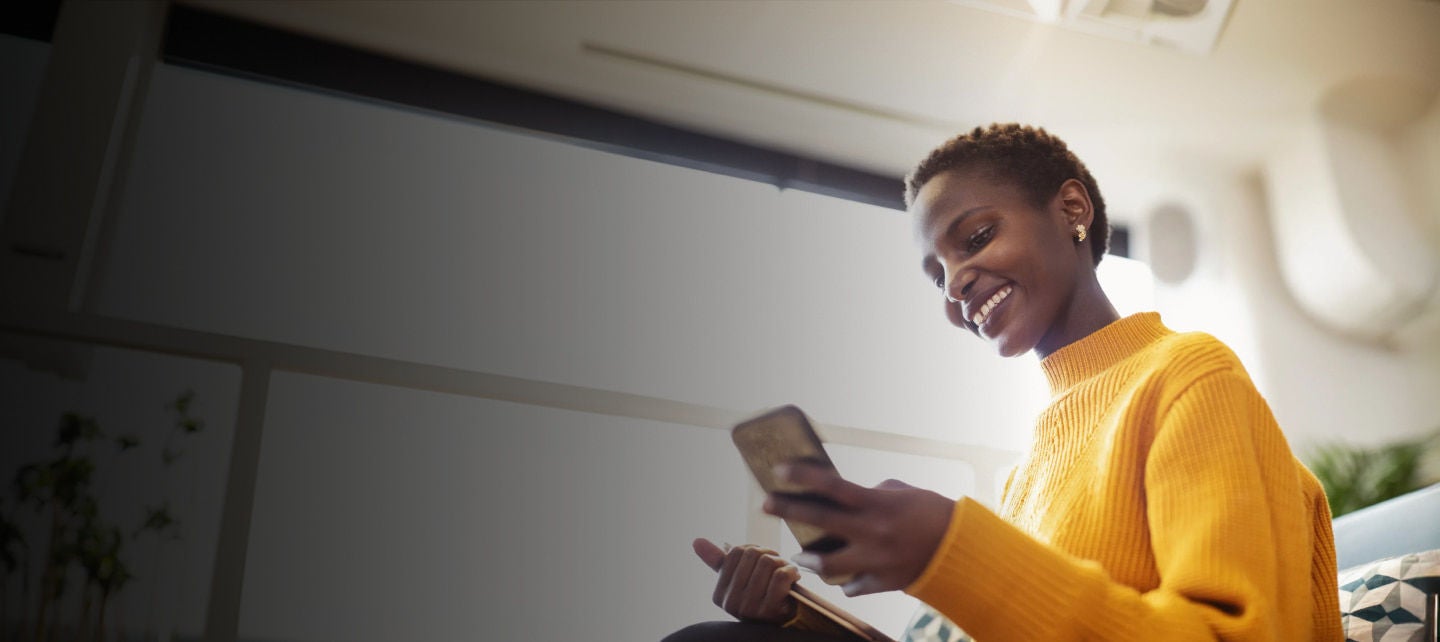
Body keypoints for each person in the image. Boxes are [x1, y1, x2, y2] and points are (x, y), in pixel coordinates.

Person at [663, 123, 1343, 642]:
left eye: (976, 237)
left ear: (1072, 209)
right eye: (938, 274)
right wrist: (801, 618)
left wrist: (953, 550)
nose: (956, 282)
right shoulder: (1025, 478)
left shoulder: (1188, 376)